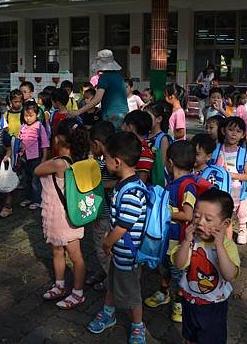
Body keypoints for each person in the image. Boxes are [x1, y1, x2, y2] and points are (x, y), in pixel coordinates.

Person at [87, 132, 148, 344]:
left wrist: (107, 241)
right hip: (119, 251)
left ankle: (138, 326)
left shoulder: (131, 189)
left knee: (132, 293)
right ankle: (108, 312)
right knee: (112, 283)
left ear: (117, 161)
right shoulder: (124, 183)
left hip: (128, 254)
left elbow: (124, 225)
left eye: (106, 157)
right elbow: (118, 220)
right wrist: (109, 236)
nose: (104, 161)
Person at [171, 188, 240, 344]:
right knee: (189, 336)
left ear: (225, 223)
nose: (200, 222)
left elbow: (229, 275)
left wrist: (219, 246)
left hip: (213, 306)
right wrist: (187, 242)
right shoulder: (191, 241)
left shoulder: (228, 247)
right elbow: (179, 264)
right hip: (189, 301)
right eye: (196, 216)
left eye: (208, 219)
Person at [35, 119, 90, 309]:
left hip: (63, 216)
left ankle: (77, 292)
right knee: (59, 251)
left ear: (58, 139)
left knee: (73, 255)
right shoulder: (79, 160)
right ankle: (60, 285)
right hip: (64, 214)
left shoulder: (59, 163)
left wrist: (49, 154)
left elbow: (37, 170)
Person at [144, 141, 198, 323]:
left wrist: (164, 212)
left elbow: (188, 214)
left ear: (170, 162)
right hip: (167, 238)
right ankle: (163, 293)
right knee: (164, 268)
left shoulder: (187, 186)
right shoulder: (172, 183)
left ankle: (180, 301)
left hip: (179, 241)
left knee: (178, 273)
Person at [86, 121, 116, 292]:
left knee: (102, 250)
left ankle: (111, 283)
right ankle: (107, 275)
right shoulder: (116, 160)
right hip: (112, 214)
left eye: (92, 146)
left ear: (96, 144)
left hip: (103, 215)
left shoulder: (103, 164)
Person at [69, 49, 129, 131]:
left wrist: (79, 112)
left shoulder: (104, 78)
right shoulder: (119, 76)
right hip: (124, 113)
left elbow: (97, 99)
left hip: (111, 115)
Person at [215, 117, 247, 244]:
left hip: (238, 190)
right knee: (223, 213)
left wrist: (231, 175)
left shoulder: (243, 154)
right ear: (223, 131)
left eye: (238, 131)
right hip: (219, 187)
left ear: (243, 135)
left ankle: (242, 228)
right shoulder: (216, 150)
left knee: (242, 212)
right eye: (230, 129)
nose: (234, 133)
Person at [19, 101, 50, 210]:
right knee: (26, 179)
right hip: (24, 157)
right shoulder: (23, 127)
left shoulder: (39, 126)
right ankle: (28, 198)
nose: (28, 118)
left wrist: (44, 158)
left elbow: (45, 143)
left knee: (35, 180)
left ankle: (37, 200)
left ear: (36, 115)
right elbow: (20, 141)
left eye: (31, 116)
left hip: (36, 158)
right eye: (26, 116)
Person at [122, 110, 155, 184]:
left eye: (124, 126)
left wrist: (110, 183)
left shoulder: (143, 152)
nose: (122, 129)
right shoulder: (145, 147)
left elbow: (140, 183)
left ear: (130, 127)